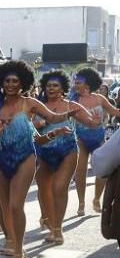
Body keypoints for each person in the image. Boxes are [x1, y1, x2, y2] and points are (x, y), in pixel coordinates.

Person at [0, 60, 79, 258]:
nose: (10, 84)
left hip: (25, 158)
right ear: (1, 82)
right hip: (0, 159)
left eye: (15, 81)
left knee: (17, 206)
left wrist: (68, 115)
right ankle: (12, 242)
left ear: (23, 83)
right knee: (6, 206)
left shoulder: (29, 103)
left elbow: (52, 117)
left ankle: (19, 252)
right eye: (7, 80)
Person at [33, 70, 97, 245]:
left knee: (59, 187)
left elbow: (90, 121)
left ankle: (57, 230)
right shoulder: (38, 106)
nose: (51, 88)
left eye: (55, 85)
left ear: (63, 89)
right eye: (48, 85)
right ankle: (49, 220)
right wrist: (41, 123)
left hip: (67, 151)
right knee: (43, 190)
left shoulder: (70, 106)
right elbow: (30, 127)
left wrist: (95, 121)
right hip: (44, 153)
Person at [71, 67, 120, 215]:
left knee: (103, 168)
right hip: (80, 139)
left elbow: (115, 112)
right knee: (80, 170)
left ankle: (97, 199)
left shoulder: (100, 98)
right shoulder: (74, 100)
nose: (75, 84)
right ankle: (81, 203)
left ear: (87, 83)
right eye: (75, 82)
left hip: (98, 138)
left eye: (78, 82)